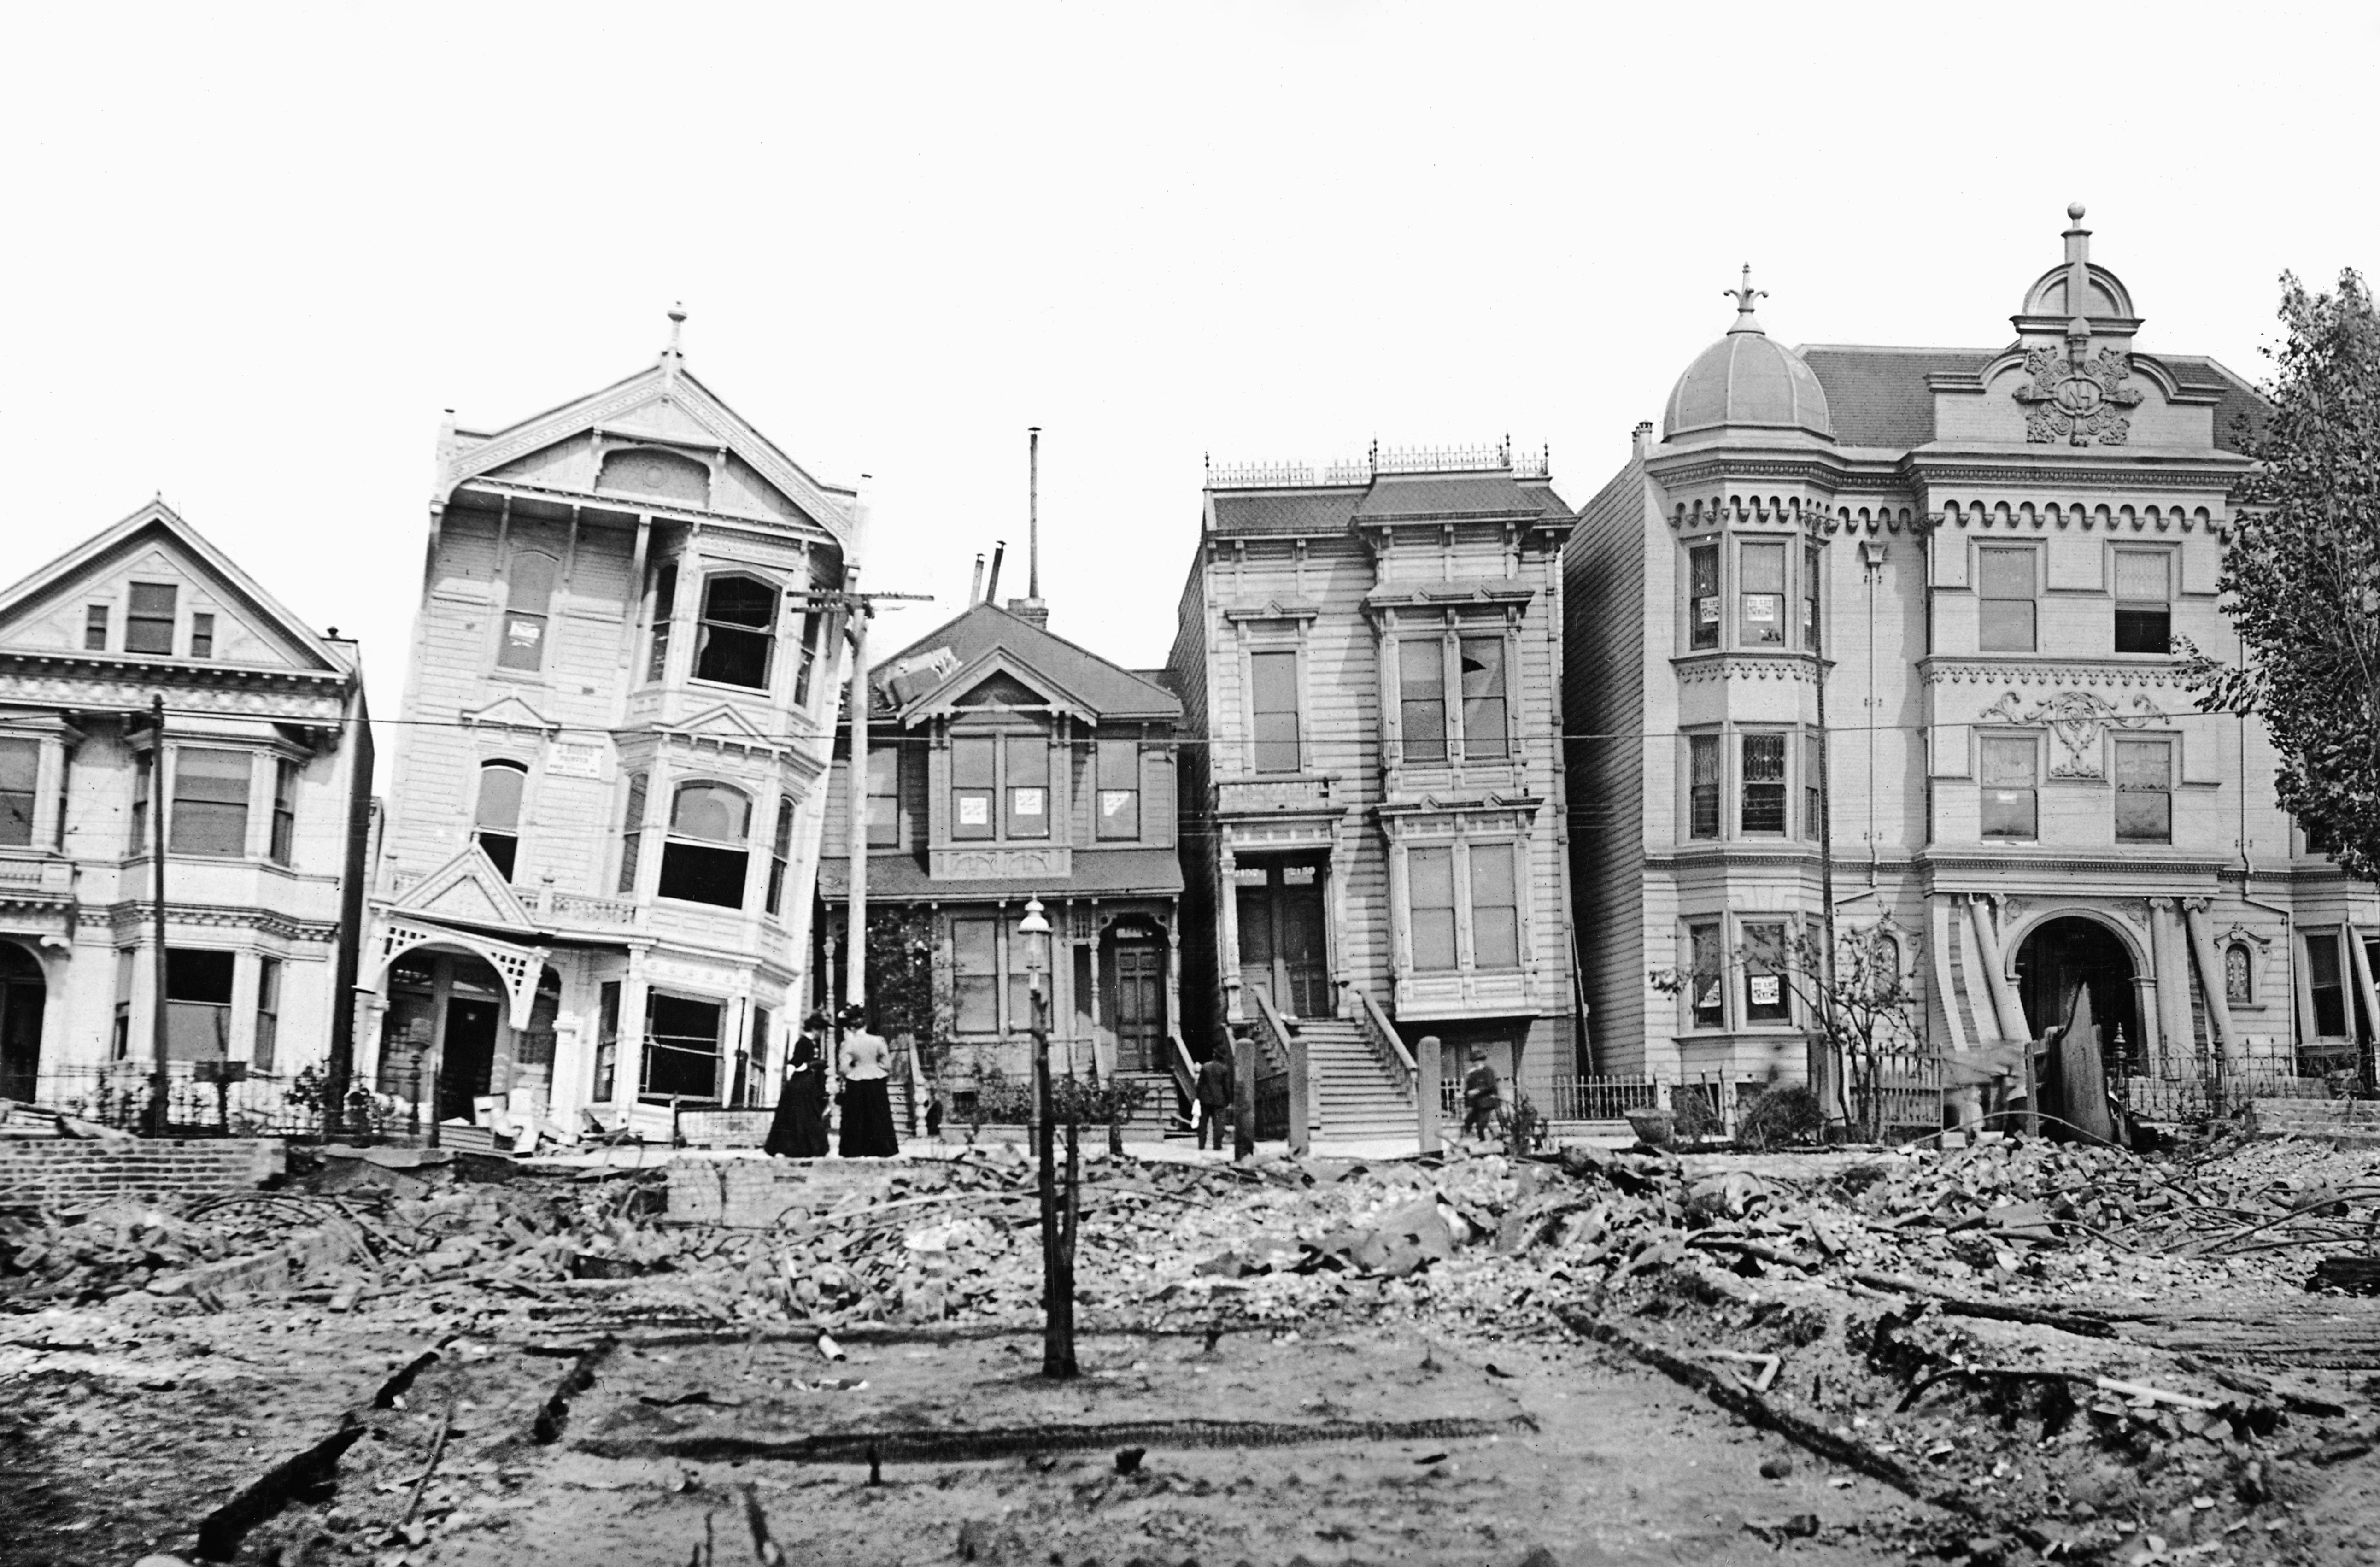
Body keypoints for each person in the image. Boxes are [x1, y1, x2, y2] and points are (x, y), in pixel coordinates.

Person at [763, 1011, 831, 1159]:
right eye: (820, 1030)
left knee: (804, 1116)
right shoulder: (803, 1043)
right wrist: (814, 1064)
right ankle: (791, 1148)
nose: (821, 1033)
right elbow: (797, 1064)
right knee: (798, 1116)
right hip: (800, 1084)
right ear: (815, 1029)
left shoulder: (810, 1043)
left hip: (807, 1084)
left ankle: (805, 1149)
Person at [836, 1004, 900, 1158]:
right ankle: (882, 1149)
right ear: (865, 1025)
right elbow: (887, 1064)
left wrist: (854, 1071)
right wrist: (876, 1068)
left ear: (851, 1028)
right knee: (879, 1114)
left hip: (856, 1080)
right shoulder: (878, 1040)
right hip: (876, 1079)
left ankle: (855, 1150)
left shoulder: (848, 1044)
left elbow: (844, 1067)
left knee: (855, 1116)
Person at [1195, 1048, 1233, 1150]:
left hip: (1205, 1100)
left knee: (1203, 1124)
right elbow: (1227, 1088)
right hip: (1219, 1101)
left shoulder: (1205, 1067)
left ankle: (1201, 1146)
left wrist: (1198, 1097)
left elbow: (1200, 1085)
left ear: (1214, 1055)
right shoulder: (1224, 1069)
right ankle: (1217, 1146)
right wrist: (1229, 1101)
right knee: (1219, 1125)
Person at [1460, 1045, 1501, 1141]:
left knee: (1481, 1126)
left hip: (1487, 1104)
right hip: (1476, 1105)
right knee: (1468, 1122)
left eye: (1477, 1061)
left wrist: (1478, 1091)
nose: (1475, 1064)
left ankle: (1484, 1144)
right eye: (1474, 1062)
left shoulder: (1489, 1072)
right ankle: (1469, 1141)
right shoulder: (1472, 1074)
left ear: (1482, 1061)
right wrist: (1467, 1102)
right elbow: (1468, 1091)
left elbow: (1491, 1086)